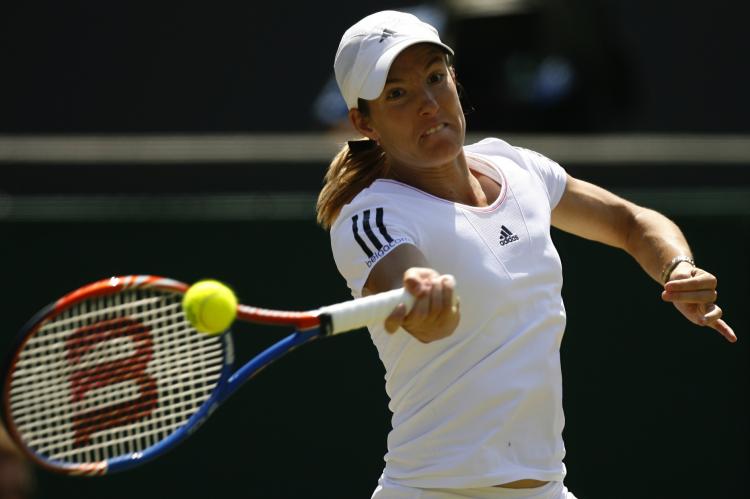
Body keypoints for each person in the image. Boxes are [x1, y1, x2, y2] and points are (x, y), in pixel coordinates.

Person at [316, 10, 736, 499]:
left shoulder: (516, 167)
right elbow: (415, 301)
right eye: (397, 94)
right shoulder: (370, 216)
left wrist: (676, 266)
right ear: (364, 123)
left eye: (435, 77)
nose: (428, 104)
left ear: (454, 79)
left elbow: (631, 222)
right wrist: (424, 301)